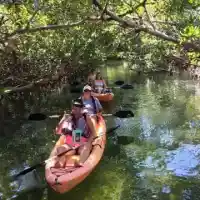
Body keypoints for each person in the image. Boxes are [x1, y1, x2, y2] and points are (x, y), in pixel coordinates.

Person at [46, 99, 97, 169]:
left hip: (82, 144)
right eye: (73, 108)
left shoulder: (86, 118)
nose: (74, 110)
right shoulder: (68, 118)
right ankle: (59, 165)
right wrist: (63, 120)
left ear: (81, 109)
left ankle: (80, 164)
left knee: (86, 147)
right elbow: (57, 132)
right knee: (60, 149)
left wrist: (89, 142)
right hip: (70, 145)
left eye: (77, 108)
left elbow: (94, 133)